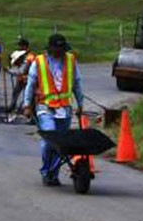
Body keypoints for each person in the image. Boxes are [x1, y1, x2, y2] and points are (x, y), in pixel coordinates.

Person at [22, 34, 84, 186]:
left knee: (61, 143)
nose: (61, 52)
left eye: (63, 49)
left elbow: (76, 83)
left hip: (65, 108)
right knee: (50, 140)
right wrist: (27, 105)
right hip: (46, 107)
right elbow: (30, 85)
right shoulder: (39, 62)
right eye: (59, 49)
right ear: (50, 48)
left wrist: (80, 103)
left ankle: (53, 174)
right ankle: (46, 171)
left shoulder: (70, 60)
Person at [6, 38, 36, 114]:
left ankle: (26, 108)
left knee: (27, 94)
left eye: (20, 46)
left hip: (27, 78)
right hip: (21, 78)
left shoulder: (29, 57)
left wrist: (9, 71)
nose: (19, 48)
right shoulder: (24, 55)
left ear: (25, 46)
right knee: (16, 92)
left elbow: (22, 71)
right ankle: (13, 105)